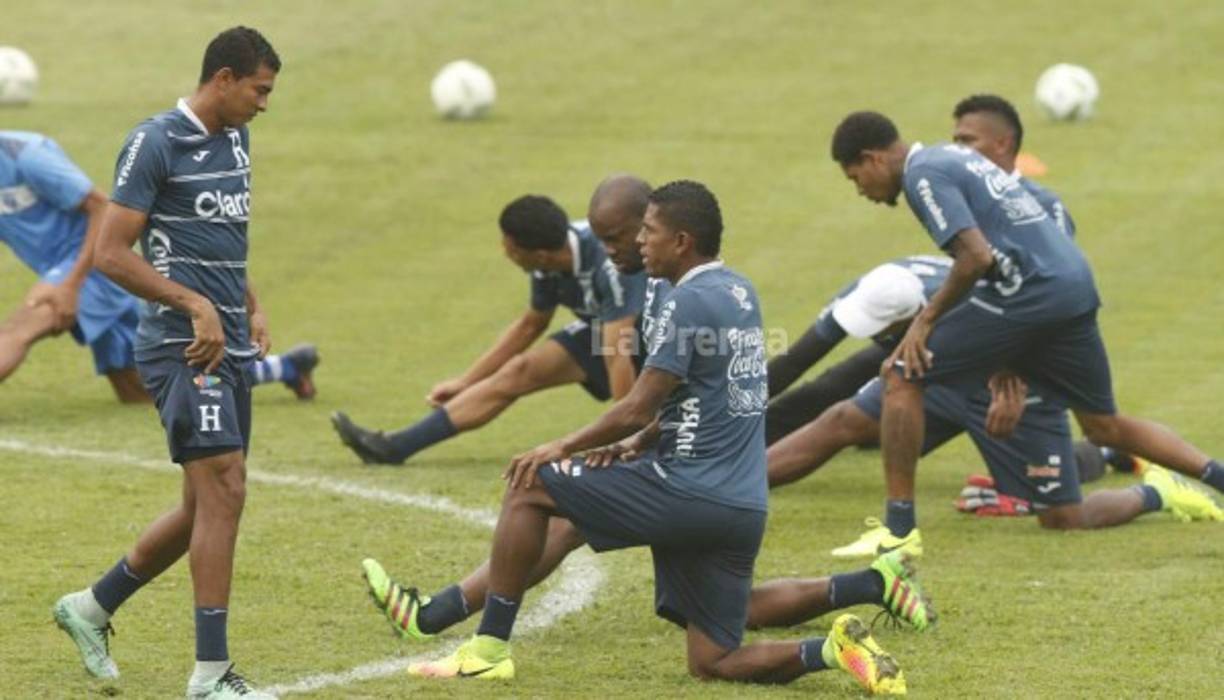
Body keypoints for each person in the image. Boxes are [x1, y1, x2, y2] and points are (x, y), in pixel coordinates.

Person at [370, 180, 910, 693]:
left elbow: (634, 405)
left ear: (681, 241)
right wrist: (639, 443)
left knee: (532, 483)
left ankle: (485, 651)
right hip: (741, 506)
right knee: (712, 661)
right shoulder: (738, 290)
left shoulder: (685, 301)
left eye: (647, 230)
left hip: (687, 490)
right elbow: (701, 398)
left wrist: (561, 446)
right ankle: (832, 651)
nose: (638, 241)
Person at [829, 110, 1224, 556]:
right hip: (1073, 285)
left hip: (1029, 292)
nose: (860, 189)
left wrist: (924, 321)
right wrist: (1004, 361)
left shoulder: (924, 173)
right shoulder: (954, 158)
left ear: (873, 158)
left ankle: (898, 530)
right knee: (1103, 426)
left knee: (901, 373)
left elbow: (975, 258)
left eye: (854, 176)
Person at [52, 27, 282, 699]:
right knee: (227, 488)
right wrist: (194, 306)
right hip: (179, 345)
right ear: (224, 80)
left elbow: (219, 233)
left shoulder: (236, 139)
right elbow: (111, 253)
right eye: (259, 90)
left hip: (230, 341)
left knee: (202, 506)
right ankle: (210, 676)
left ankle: (90, 607)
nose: (265, 104)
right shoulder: (155, 141)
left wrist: (249, 302)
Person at [331, 175, 651, 465]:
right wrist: (467, 380)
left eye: (509, 247)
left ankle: (637, 447)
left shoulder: (608, 264)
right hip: (606, 333)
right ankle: (392, 447)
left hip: (656, 334)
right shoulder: (547, 265)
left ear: (539, 254)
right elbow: (530, 325)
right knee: (520, 370)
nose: (504, 252)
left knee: (644, 384)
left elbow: (618, 354)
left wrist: (623, 438)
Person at [0, 131, 319, 402]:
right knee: (147, 390)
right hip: (74, 272)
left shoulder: (28, 155)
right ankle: (282, 368)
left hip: (92, 264)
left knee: (21, 328)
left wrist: (69, 285)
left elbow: (102, 208)